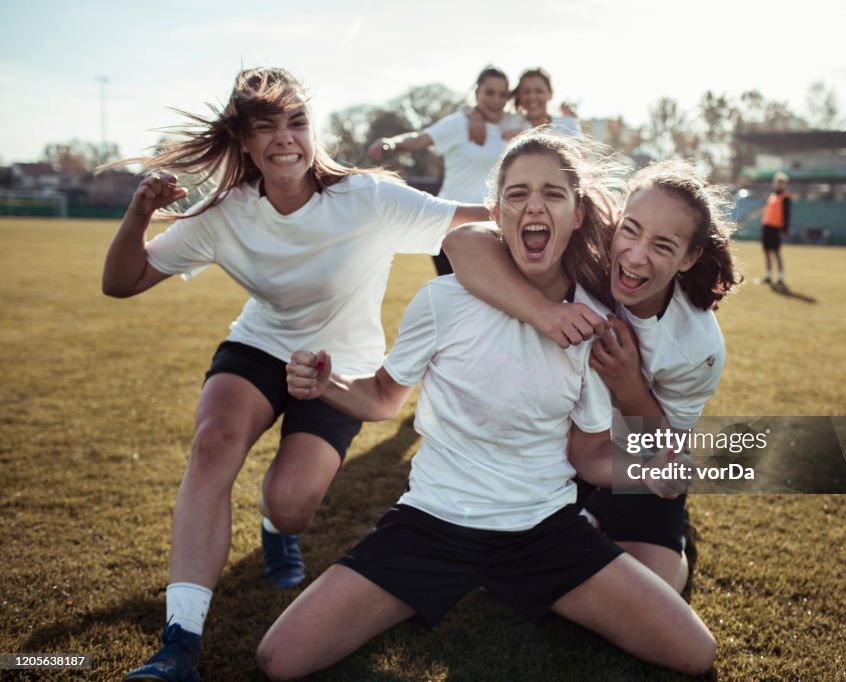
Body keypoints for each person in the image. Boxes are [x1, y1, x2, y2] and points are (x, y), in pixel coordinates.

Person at [258, 130, 716, 680]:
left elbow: (589, 452)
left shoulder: (594, 324)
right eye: (517, 193)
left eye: (552, 193)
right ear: (497, 210)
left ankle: (566, 557)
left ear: (577, 214)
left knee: (694, 651)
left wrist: (647, 468)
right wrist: (327, 384)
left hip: (543, 531)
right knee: (280, 659)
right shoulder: (442, 300)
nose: (534, 206)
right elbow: (381, 397)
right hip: (431, 523)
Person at [102, 67, 489, 682]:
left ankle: (273, 527)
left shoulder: (368, 198)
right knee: (211, 447)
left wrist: (565, 213)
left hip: (341, 369)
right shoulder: (224, 213)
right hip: (259, 346)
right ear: (245, 143)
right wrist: (139, 214)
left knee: (292, 507)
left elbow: (477, 217)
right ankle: (178, 646)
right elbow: (120, 283)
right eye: (267, 126)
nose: (286, 137)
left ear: (315, 132)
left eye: (298, 121)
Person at [443, 159, 740, 600]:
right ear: (616, 221)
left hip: (630, 453)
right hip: (557, 442)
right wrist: (545, 312)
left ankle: (632, 525)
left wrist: (629, 384)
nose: (636, 256)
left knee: (652, 591)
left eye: (663, 245)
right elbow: (463, 242)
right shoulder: (588, 253)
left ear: (689, 257)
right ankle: (578, 516)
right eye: (632, 230)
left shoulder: (697, 346)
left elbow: (662, 446)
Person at [367, 66, 516, 276]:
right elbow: (421, 139)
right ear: (476, 94)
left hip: (495, 226)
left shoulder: (515, 123)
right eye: (489, 93)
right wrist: (392, 143)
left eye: (502, 94)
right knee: (456, 298)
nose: (496, 100)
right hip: (453, 224)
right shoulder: (459, 123)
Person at [761, 171, 790, 285]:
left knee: (776, 252)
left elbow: (787, 214)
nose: (778, 185)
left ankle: (780, 277)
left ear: (784, 184)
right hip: (767, 226)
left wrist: (784, 229)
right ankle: (768, 275)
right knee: (767, 251)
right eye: (777, 182)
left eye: (781, 183)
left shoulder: (785, 197)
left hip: (776, 228)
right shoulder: (772, 195)